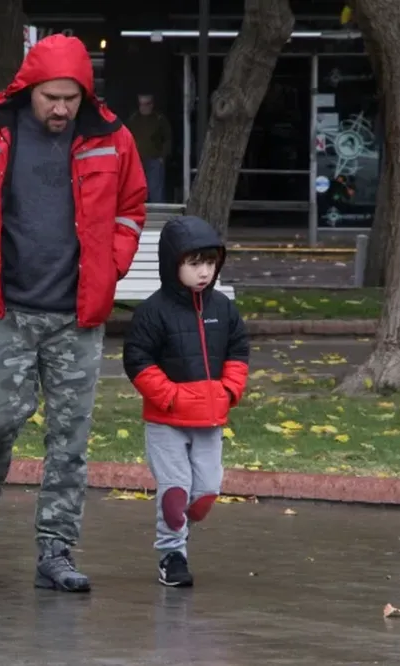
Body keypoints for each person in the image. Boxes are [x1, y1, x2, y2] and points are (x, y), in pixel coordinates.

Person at [0, 34, 147, 593]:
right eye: (52, 97)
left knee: (70, 441)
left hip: (77, 317)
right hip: (4, 312)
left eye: (72, 98)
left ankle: (56, 550)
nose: (62, 109)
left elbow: (131, 209)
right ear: (29, 90)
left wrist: (111, 266)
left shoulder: (112, 139)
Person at [122, 215, 249, 587]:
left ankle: (180, 530)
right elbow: (138, 359)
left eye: (210, 263)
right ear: (172, 264)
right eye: (194, 264)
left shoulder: (223, 308)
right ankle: (172, 555)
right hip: (166, 421)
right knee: (175, 491)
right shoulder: (153, 311)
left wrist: (228, 391)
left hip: (210, 419)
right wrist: (170, 397)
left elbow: (239, 349)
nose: (204, 272)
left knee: (206, 492)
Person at [126, 94, 172, 203]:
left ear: (152, 105)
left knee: (155, 190)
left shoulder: (159, 119)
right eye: (141, 104)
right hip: (137, 161)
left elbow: (168, 138)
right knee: (136, 190)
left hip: (154, 160)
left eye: (146, 104)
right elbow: (126, 138)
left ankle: (159, 216)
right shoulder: (133, 119)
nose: (143, 107)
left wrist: (162, 156)